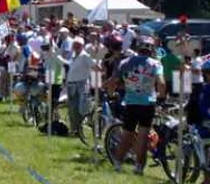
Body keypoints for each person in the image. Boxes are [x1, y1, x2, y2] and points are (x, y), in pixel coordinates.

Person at [106, 36, 165, 175]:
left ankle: (118, 162)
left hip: (131, 102)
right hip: (148, 102)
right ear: (151, 49)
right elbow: (161, 83)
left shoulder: (125, 62)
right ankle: (139, 167)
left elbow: (113, 81)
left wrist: (110, 94)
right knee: (143, 136)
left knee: (127, 134)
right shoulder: (155, 64)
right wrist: (161, 97)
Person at [61, 36, 96, 136]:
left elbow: (95, 67)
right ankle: (74, 130)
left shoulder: (85, 56)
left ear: (82, 46)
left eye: (78, 45)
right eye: (74, 45)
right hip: (71, 84)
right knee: (72, 109)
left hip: (82, 84)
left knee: (82, 109)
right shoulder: (72, 56)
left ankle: (81, 130)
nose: (75, 46)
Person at [196, 58, 210, 184]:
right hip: (208, 122)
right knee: (205, 150)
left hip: (207, 122)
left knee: (205, 150)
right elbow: (204, 108)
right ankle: (207, 181)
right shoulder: (207, 88)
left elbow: (203, 108)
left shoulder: (207, 88)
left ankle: (207, 181)